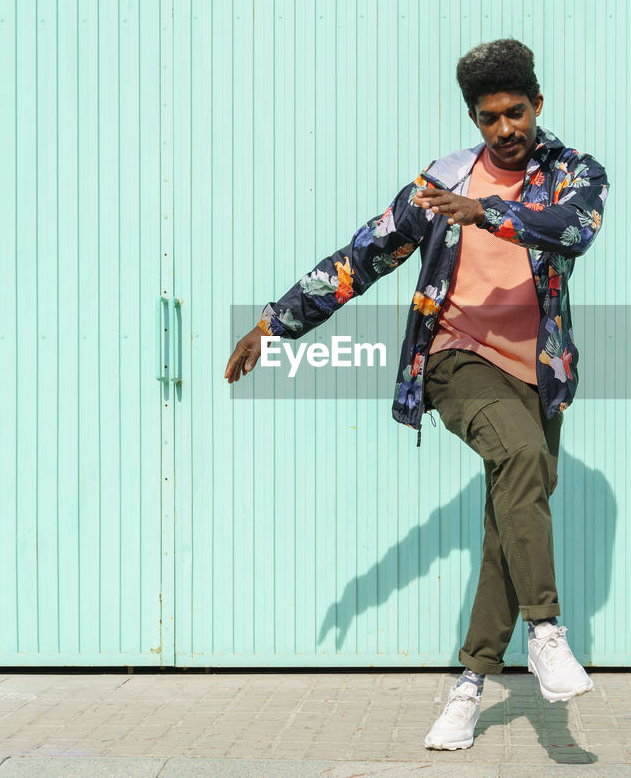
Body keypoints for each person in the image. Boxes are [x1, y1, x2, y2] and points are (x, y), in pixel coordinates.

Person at [224, 38, 609, 751]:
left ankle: (467, 688)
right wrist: (272, 323)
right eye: (490, 118)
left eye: (516, 114)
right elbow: (360, 257)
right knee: (521, 462)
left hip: (539, 374)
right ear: (475, 119)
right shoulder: (441, 183)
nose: (505, 130)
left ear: (539, 105)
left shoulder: (574, 174)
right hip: (454, 359)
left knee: (509, 517)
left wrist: (485, 214)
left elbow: (573, 232)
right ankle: (547, 631)